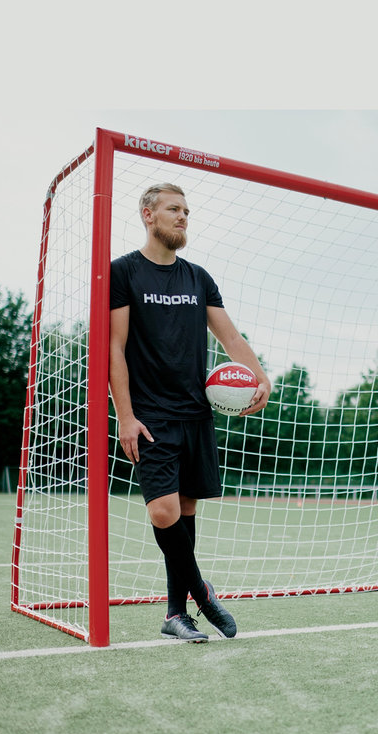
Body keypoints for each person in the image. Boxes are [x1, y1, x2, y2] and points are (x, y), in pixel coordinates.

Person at [109, 183, 271, 642]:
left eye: (186, 211)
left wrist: (261, 378)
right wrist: (125, 415)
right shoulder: (123, 272)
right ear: (147, 214)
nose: (182, 217)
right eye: (173, 209)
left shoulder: (198, 277)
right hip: (149, 413)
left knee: (185, 509)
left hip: (196, 412)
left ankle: (175, 614)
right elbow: (114, 349)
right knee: (162, 511)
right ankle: (202, 592)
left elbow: (231, 340)